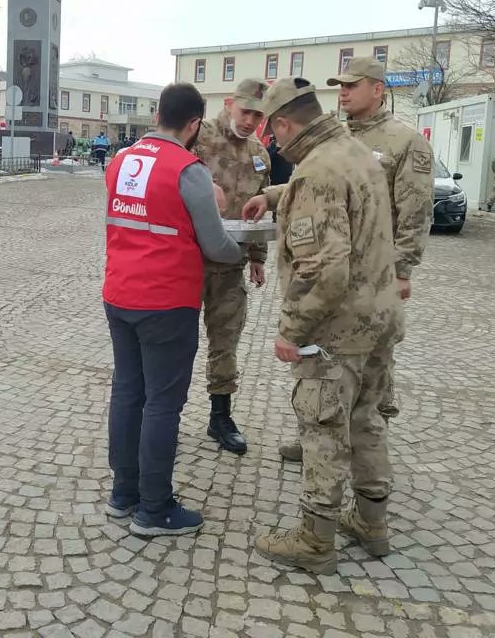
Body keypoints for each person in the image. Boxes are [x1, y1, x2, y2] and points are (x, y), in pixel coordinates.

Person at [242, 78, 403, 573]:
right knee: (367, 420)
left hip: (337, 330)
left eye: (273, 131)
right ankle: (372, 524)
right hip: (380, 316)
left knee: (323, 427)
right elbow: (335, 192)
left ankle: (316, 540)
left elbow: (323, 271)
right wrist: (272, 195)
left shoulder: (316, 172)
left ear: (286, 123)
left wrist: (292, 330)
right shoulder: (354, 150)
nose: (271, 141)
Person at [103, 82, 244, 538]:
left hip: (120, 293)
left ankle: (123, 495)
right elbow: (215, 244)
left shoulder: (121, 160)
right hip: (166, 301)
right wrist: (244, 249)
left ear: (157, 114)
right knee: (163, 404)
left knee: (128, 392)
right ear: (194, 124)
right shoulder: (189, 169)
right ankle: (155, 509)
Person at [278, 57, 433, 463]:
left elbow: (415, 209)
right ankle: (318, 435)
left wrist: (403, 269)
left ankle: (364, 445)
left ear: (378, 89)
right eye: (340, 85)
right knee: (326, 364)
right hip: (341, 274)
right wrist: (275, 195)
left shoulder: (405, 141)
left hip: (374, 272)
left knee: (371, 369)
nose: (343, 92)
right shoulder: (339, 136)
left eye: (353, 84)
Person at [191, 78, 271, 454]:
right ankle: (164, 413)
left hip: (230, 266)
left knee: (226, 342)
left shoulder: (260, 153)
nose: (252, 120)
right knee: (176, 342)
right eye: (246, 111)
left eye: (259, 114)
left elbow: (257, 211)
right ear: (228, 103)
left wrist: (256, 257)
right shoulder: (198, 138)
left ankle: (220, 416)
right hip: (187, 262)